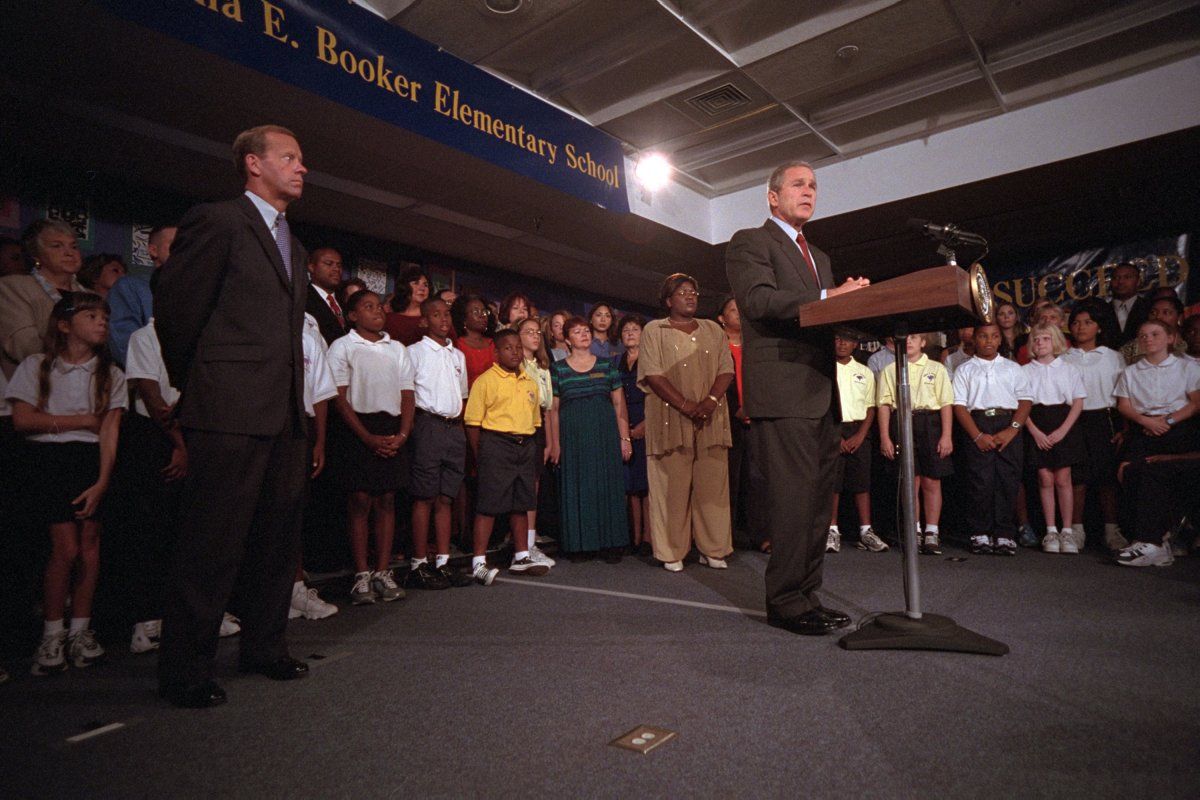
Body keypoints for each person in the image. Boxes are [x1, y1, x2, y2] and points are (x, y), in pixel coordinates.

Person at [154, 124, 312, 709]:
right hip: (227, 409)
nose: (302, 169)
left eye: (301, 160)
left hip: (285, 414)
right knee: (210, 544)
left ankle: (265, 647)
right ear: (253, 163)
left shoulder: (292, 242)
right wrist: (200, 385)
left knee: (276, 543)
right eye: (289, 158)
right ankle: (186, 671)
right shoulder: (218, 220)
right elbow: (177, 309)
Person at [725, 159, 869, 636]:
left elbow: (822, 313)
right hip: (783, 391)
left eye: (814, 185)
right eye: (798, 184)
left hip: (821, 391)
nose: (809, 191)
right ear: (773, 196)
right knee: (791, 502)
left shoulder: (820, 256)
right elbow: (760, 302)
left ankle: (808, 595)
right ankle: (785, 603)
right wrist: (830, 298)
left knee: (815, 505)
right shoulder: (751, 242)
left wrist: (854, 305)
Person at [7, 294, 125, 675]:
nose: (101, 322)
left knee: (90, 547)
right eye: (91, 315)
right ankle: (52, 632)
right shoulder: (37, 366)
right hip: (50, 461)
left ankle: (80, 631)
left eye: (104, 317)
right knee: (65, 548)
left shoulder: (111, 374)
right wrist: (81, 421)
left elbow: (109, 433)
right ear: (64, 324)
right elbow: (23, 421)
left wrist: (103, 481)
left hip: (90, 461)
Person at [638, 275, 734, 571]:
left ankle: (713, 548)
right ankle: (671, 552)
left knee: (713, 486)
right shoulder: (655, 329)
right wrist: (686, 405)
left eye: (693, 292)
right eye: (682, 293)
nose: (690, 297)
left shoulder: (712, 328)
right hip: (670, 418)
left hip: (711, 416)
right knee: (671, 487)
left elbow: (726, 369)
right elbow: (653, 374)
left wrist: (710, 402)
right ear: (668, 301)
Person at [327, 290, 413, 606]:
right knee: (360, 499)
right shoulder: (343, 346)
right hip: (358, 429)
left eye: (379, 306)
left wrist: (402, 434)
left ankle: (382, 571)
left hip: (391, 428)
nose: (377, 311)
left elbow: (407, 394)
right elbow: (339, 395)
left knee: (387, 499)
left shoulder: (397, 348)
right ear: (352, 316)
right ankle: (361, 574)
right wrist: (365, 437)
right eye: (368, 306)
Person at [1112, 319, 1200, 566]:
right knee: (1128, 471)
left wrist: (1168, 421)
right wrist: (1146, 422)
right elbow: (1124, 405)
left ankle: (1155, 540)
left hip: (1177, 427)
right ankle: (1144, 539)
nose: (1148, 339)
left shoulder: (1186, 368)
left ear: (1171, 338)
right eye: (1143, 335)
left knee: (1157, 472)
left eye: (1154, 334)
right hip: (1144, 427)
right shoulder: (1131, 372)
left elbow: (1195, 403)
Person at [464, 329, 548, 582]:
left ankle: (521, 555)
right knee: (489, 504)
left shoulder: (529, 382)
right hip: (496, 443)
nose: (515, 352)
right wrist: (481, 455)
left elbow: (534, 421)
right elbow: (472, 423)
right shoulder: (485, 381)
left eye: (518, 348)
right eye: (508, 348)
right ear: (497, 352)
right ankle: (478, 561)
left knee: (521, 503)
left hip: (525, 444)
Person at [405, 298, 474, 590]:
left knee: (446, 497)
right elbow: (407, 393)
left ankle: (443, 561)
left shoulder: (457, 355)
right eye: (436, 314)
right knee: (425, 496)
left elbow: (463, 395)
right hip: (428, 425)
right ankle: (419, 563)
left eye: (447, 314)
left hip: (453, 427)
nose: (444, 319)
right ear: (424, 321)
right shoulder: (413, 352)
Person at [551, 316, 631, 561]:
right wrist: (555, 444)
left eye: (586, 331)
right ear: (567, 339)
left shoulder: (607, 366)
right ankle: (580, 545)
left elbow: (619, 403)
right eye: (577, 332)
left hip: (605, 435)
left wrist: (624, 438)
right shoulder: (558, 369)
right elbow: (552, 410)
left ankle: (611, 543)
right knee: (578, 487)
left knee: (607, 486)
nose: (584, 334)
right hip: (573, 438)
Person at [951, 322, 1033, 555]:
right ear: (974, 339)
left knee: (1008, 480)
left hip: (1008, 424)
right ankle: (980, 533)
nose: (989, 341)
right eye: (983, 336)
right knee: (980, 482)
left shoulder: (1012, 368)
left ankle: (1004, 534)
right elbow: (959, 406)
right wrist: (977, 435)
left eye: (994, 336)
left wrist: (1013, 429)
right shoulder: (965, 370)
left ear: (1000, 340)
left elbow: (1025, 401)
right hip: (978, 424)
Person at [877, 332, 955, 555]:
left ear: (923, 342)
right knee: (911, 480)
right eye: (905, 338)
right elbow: (883, 404)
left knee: (932, 480)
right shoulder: (890, 370)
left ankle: (932, 531)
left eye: (914, 338)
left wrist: (947, 435)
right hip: (901, 421)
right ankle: (914, 530)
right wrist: (885, 437)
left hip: (930, 423)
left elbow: (946, 404)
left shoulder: (936, 369)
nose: (909, 341)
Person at [1063, 302, 1127, 552]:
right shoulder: (1065, 358)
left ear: (1099, 326)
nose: (1081, 327)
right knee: (1076, 477)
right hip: (1074, 421)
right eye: (1076, 322)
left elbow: (1124, 395)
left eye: (1088, 322)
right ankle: (1076, 530)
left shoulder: (1113, 357)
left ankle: (1112, 530)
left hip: (1104, 419)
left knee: (1106, 478)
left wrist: (1125, 428)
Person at [289, 312, 340, 620]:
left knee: (293, 512)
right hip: (265, 425)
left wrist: (319, 441)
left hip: (302, 430)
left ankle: (294, 589)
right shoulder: (260, 327)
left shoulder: (309, 337)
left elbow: (320, 394)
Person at [1022, 323, 1087, 554]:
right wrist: (1035, 432)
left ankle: (1067, 531)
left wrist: (1063, 430)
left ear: (1056, 341)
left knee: (1063, 478)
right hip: (1037, 423)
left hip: (1063, 423)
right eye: (1036, 339)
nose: (1040, 343)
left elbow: (1078, 402)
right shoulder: (1025, 370)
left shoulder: (1068, 369)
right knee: (1045, 478)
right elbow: (1022, 406)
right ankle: (1050, 530)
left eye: (1046, 339)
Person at [0, 220, 84, 378]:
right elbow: (25, 346)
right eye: (57, 246)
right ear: (36, 254)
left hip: (88, 391)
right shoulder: (12, 287)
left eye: (73, 246)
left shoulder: (91, 297)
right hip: (35, 388)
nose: (69, 253)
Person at [830, 330, 887, 553]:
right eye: (837, 338)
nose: (842, 343)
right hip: (834, 429)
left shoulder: (864, 371)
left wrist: (861, 435)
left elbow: (870, 406)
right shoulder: (826, 370)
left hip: (859, 429)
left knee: (861, 482)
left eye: (847, 340)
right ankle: (831, 529)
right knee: (833, 483)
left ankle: (866, 530)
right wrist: (836, 437)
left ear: (855, 344)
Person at [718, 296, 768, 553]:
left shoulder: (755, 347)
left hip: (757, 421)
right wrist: (732, 409)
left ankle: (761, 535)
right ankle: (727, 536)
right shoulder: (716, 348)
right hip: (728, 423)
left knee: (759, 481)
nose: (738, 314)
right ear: (721, 318)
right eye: (732, 310)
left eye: (741, 310)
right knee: (730, 479)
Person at [517, 317, 557, 567]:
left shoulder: (542, 367)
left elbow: (550, 408)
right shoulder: (515, 364)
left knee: (534, 488)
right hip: (520, 426)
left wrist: (551, 443)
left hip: (539, 428)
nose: (534, 335)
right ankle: (520, 544)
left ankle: (530, 543)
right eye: (527, 331)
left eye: (537, 332)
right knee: (521, 488)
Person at [107, 225, 177, 367]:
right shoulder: (131, 287)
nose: (182, 250)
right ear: (153, 250)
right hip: (150, 378)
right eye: (174, 244)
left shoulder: (199, 289)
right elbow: (125, 345)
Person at [617, 314, 650, 555]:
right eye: (626, 330)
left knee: (647, 485)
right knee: (631, 486)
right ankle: (634, 538)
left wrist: (644, 426)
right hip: (624, 424)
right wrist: (624, 430)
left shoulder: (650, 361)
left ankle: (649, 537)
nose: (630, 333)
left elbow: (656, 397)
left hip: (647, 424)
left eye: (635, 329)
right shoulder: (617, 363)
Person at [1121, 295, 1188, 364]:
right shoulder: (1132, 348)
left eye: (1166, 312)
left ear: (1179, 317)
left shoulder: (1190, 344)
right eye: (1153, 313)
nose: (1158, 317)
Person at [305, 247, 347, 345]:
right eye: (329, 263)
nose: (336, 269)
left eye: (339, 265)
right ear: (311, 267)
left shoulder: (345, 302)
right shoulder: (303, 299)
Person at [453, 294, 496, 389]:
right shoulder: (456, 346)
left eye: (484, 312)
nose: (482, 315)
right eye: (476, 312)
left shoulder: (494, 344)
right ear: (463, 318)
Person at [1106, 262, 1152, 346]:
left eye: (1127, 277)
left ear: (1138, 282)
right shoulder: (1102, 310)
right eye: (1116, 278)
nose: (1120, 281)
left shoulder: (1149, 308)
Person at [384, 265, 432, 345]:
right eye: (416, 283)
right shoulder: (389, 319)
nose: (422, 288)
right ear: (404, 287)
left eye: (426, 285)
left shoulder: (434, 319)